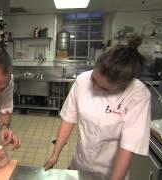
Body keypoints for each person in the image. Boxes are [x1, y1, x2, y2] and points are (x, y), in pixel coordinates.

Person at [44, 36, 151, 180]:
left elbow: (128, 147)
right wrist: (55, 154)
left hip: (112, 172)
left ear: (122, 85)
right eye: (94, 79)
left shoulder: (138, 94)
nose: (94, 87)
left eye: (104, 88)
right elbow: (69, 119)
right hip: (80, 165)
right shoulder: (82, 80)